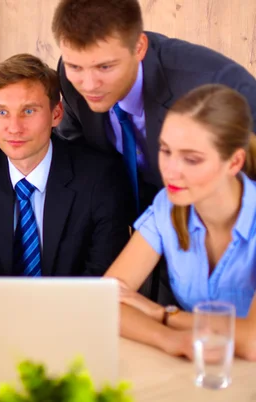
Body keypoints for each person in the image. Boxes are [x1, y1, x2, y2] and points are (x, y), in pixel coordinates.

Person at [51, 0, 256, 300]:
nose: (89, 84)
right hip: (153, 228)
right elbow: (81, 162)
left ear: (139, 47)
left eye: (105, 67)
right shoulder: (72, 77)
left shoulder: (217, 85)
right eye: (75, 67)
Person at [0, 53, 132, 277]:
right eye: (2, 112)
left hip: (72, 310)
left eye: (28, 111)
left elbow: (104, 278)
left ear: (56, 114)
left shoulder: (99, 176)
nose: (14, 127)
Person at [104, 84, 256, 361]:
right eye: (166, 151)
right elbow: (107, 300)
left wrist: (162, 315)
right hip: (199, 367)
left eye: (192, 159)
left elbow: (252, 342)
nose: (171, 171)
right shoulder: (168, 204)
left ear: (234, 162)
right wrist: (171, 340)